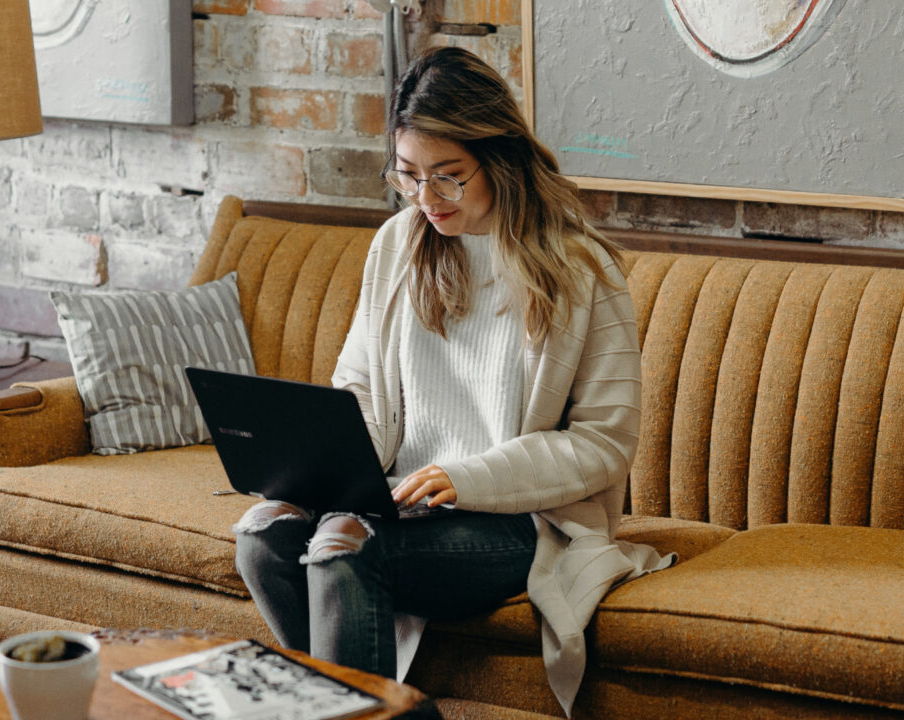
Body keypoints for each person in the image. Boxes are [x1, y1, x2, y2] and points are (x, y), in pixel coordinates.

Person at [232, 46, 673, 717]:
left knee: (344, 549)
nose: (426, 199)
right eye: (409, 176)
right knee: (263, 536)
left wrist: (470, 478)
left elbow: (604, 443)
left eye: (449, 177)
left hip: (520, 520)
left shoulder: (582, 270)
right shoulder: (397, 244)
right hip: (397, 503)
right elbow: (362, 391)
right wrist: (321, 467)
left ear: (498, 159)